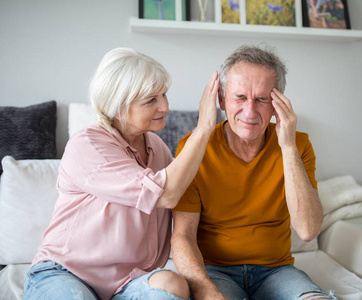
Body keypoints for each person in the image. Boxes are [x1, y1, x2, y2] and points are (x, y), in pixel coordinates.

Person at [23, 47, 219, 300]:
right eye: (151, 100)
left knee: (172, 285)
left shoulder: (157, 149)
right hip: (67, 272)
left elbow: (186, 196)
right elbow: (166, 195)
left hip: (128, 282)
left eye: (163, 95)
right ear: (117, 107)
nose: (165, 106)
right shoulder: (89, 144)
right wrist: (204, 127)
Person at [171, 45, 336, 300]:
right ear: (221, 100)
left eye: (261, 99)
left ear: (277, 104)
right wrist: (204, 289)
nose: (249, 112)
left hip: (276, 271)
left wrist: (288, 147)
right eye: (239, 97)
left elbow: (307, 230)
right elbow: (181, 236)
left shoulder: (298, 144)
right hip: (215, 271)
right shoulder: (191, 148)